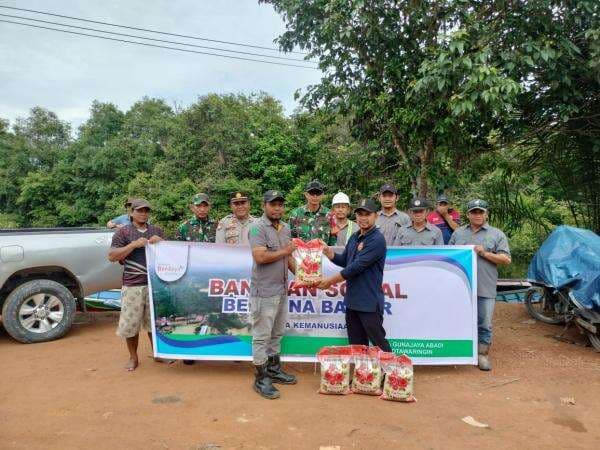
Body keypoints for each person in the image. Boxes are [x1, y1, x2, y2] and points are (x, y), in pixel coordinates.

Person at [318, 198, 392, 352]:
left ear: (375, 216)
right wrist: (329, 253)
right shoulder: (354, 236)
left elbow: (356, 268)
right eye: (360, 214)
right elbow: (346, 261)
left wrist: (329, 282)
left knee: (379, 342)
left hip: (369, 302)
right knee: (357, 345)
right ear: (355, 216)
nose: (363, 218)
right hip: (352, 301)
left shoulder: (377, 239)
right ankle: (362, 375)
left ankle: (392, 373)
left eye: (367, 214)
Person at [448, 199, 511, 371]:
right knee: (459, 319)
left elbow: (506, 259)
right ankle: (459, 352)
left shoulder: (497, 234)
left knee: (484, 322)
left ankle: (482, 354)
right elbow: (448, 256)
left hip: (485, 285)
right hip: (460, 287)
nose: (478, 215)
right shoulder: (458, 234)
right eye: (474, 212)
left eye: (481, 212)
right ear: (468, 215)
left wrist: (484, 253)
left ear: (486, 213)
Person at [248, 190, 298, 399]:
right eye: (273, 204)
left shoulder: (285, 228)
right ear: (264, 205)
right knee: (262, 336)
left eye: (280, 204)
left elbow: (289, 259)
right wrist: (286, 251)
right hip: (264, 291)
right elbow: (260, 256)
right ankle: (260, 378)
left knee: (277, 333)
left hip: (281, 289)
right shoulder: (257, 227)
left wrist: (303, 277)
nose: (277, 208)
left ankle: (274, 370)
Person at [108, 199, 166, 371]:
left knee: (155, 323)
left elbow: (170, 256)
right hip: (132, 285)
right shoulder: (123, 233)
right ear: (132, 212)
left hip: (155, 284)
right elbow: (112, 256)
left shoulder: (156, 231)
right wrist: (133, 245)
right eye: (139, 210)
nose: (143, 213)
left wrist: (162, 242)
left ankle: (158, 354)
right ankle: (133, 357)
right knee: (131, 324)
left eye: (146, 210)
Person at [288, 179, 336, 245]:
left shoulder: (329, 215)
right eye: (312, 193)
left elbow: (333, 239)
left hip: (323, 254)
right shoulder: (295, 214)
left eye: (318, 193)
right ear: (306, 194)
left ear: (322, 195)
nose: (315, 196)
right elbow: (290, 238)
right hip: (302, 254)